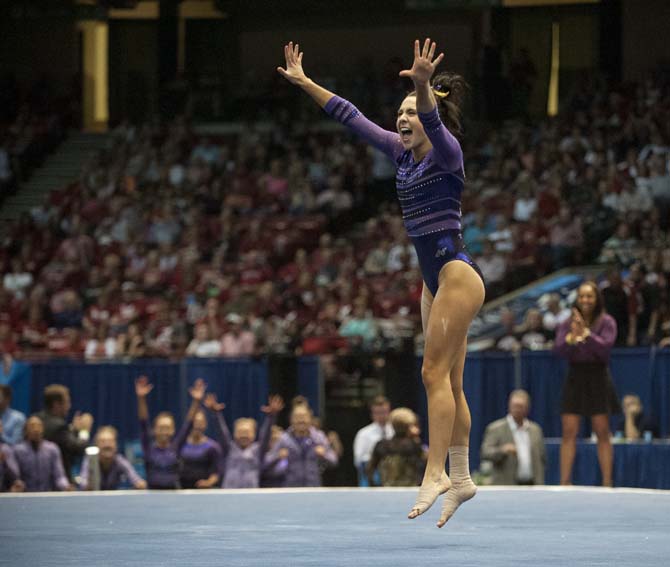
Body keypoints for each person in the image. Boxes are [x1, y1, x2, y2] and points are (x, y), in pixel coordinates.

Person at [279, 38, 486, 525]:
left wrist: (421, 87)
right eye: (400, 111)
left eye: (412, 111)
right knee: (451, 384)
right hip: (433, 281)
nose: (403, 118)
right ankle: (461, 477)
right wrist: (307, 82)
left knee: (431, 375)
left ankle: (433, 471)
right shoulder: (400, 154)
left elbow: (435, 121)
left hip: (457, 272)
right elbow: (350, 117)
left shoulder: (447, 154)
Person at [554, 281, 620, 487]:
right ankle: (565, 482)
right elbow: (558, 350)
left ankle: (607, 483)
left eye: (589, 296)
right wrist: (572, 338)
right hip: (575, 376)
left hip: (598, 376)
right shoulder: (568, 322)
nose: (585, 300)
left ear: (597, 299)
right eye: (582, 296)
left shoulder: (607, 321)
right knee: (569, 431)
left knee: (601, 430)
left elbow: (605, 349)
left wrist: (587, 336)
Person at [135, 375, 206, 489]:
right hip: (151, 495)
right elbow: (143, 422)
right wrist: (141, 398)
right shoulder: (148, 447)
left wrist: (196, 401)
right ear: (154, 430)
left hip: (173, 495)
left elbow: (188, 424)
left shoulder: (176, 447)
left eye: (167, 428)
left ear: (173, 430)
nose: (164, 431)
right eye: (161, 428)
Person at [204, 392, 284, 488]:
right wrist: (215, 414)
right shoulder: (229, 449)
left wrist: (271, 417)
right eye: (240, 432)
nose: (243, 436)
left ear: (254, 434)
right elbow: (222, 433)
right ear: (234, 434)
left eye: (247, 433)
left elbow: (266, 436)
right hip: (229, 493)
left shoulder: (258, 450)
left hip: (251, 494)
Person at [480, 390, 546, 485]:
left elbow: (542, 458)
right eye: (515, 406)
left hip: (533, 485)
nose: (517, 409)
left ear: (527, 408)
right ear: (509, 406)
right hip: (506, 486)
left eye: (520, 406)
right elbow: (485, 453)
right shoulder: (496, 429)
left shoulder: (536, 430)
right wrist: (502, 450)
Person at [267, 402, 338, 487]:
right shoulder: (284, 439)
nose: (301, 420)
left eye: (304, 416)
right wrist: (277, 456)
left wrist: (324, 454)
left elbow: (334, 460)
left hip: (313, 489)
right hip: (290, 490)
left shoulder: (319, 437)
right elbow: (266, 462)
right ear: (291, 419)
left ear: (310, 418)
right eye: (297, 417)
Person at [35, 384, 93, 482]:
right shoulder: (59, 426)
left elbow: (63, 441)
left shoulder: (36, 419)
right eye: (67, 402)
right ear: (57, 404)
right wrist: (84, 431)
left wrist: (74, 429)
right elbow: (78, 449)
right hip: (58, 483)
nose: (69, 406)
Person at [367, 407, 426, 487]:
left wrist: (374, 486)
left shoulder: (381, 445)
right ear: (409, 426)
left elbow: (370, 469)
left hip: (387, 488)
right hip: (411, 489)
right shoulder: (414, 446)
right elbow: (426, 468)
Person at [13, 415, 71, 491]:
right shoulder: (17, 450)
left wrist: (65, 486)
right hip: (25, 496)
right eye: (32, 426)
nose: (36, 429)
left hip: (47, 495)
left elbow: (59, 476)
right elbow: (15, 476)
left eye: (39, 426)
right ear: (26, 430)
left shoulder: (52, 449)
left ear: (43, 429)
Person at [79, 426, 147, 490]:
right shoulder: (90, 460)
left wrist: (140, 484)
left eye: (110, 441)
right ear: (97, 444)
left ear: (116, 445)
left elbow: (135, 479)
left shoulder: (120, 460)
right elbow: (83, 484)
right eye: (103, 441)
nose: (107, 445)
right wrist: (88, 485)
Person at [178, 407, 223, 489]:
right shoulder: (180, 444)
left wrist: (209, 482)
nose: (197, 426)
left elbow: (217, 472)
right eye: (195, 422)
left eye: (200, 423)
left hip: (203, 490)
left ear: (205, 424)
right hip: (182, 490)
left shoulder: (213, 447)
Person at [353, 395, 394, 484]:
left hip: (392, 476)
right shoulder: (363, 434)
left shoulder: (395, 431)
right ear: (372, 414)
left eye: (384, 412)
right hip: (372, 476)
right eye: (378, 412)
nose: (381, 415)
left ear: (389, 411)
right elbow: (358, 460)